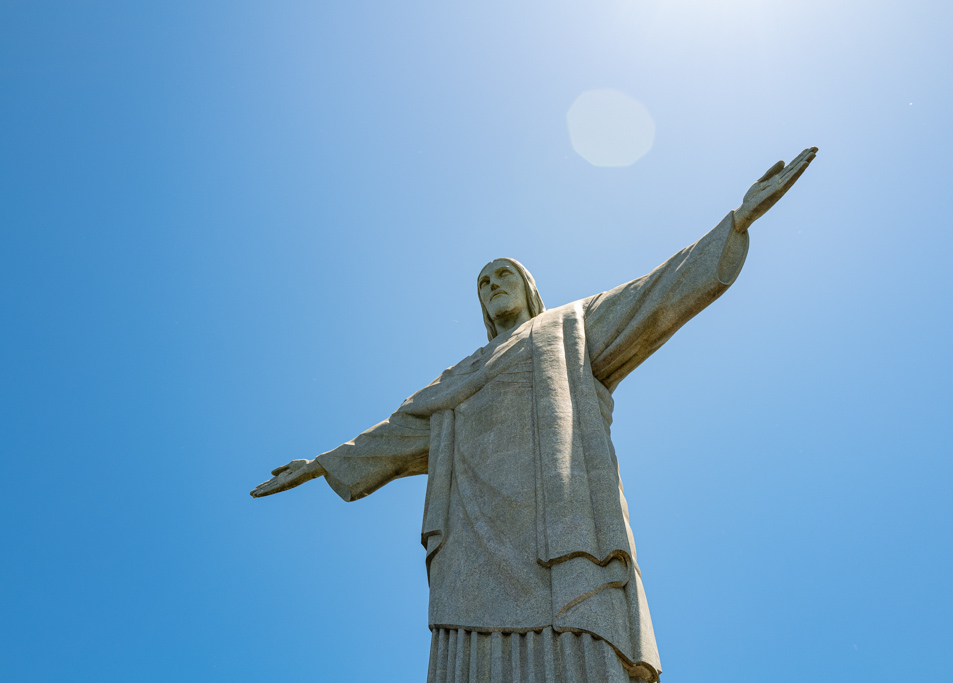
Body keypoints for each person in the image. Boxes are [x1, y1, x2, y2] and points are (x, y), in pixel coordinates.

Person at [251, 147, 817, 683]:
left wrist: (735, 224)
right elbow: (398, 435)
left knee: (577, 640)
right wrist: (324, 464)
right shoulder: (455, 380)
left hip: (560, 526)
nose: (493, 284)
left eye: (504, 275)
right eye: (483, 282)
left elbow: (653, 296)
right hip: (472, 543)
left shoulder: (569, 329)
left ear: (528, 289)